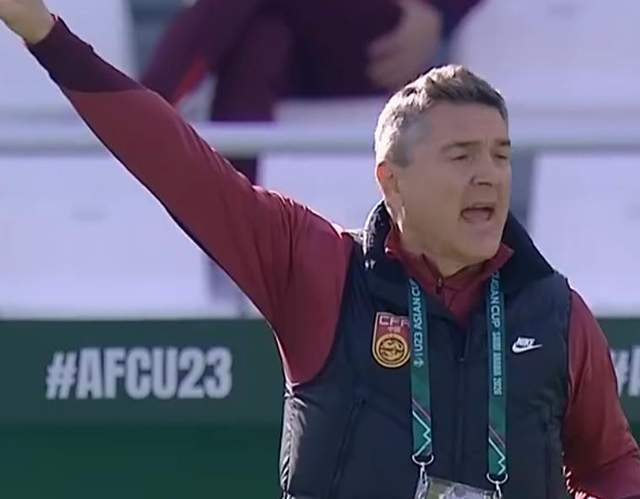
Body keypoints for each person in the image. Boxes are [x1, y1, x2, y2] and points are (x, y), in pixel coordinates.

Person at [1, 1, 640, 497]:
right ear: (392, 182)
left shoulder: (556, 313)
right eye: (461, 155)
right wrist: (47, 35)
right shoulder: (318, 270)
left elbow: (611, 465)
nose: (489, 176)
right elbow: (176, 160)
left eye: (500, 155)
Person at [142, 0, 482, 184]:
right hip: (290, 39)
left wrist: (439, 14)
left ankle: (142, 106)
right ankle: (234, 226)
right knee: (262, 43)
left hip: (377, 33)